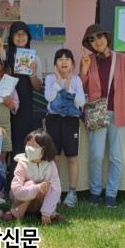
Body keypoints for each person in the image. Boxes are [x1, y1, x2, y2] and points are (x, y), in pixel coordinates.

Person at [80, 24, 125, 208]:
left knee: (115, 156)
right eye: (92, 39)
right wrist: (84, 70)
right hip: (96, 112)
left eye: (99, 37)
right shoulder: (88, 60)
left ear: (107, 38)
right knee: (96, 155)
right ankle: (95, 192)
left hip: (119, 112)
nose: (97, 42)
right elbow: (82, 86)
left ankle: (111, 194)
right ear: (89, 44)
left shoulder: (122, 58)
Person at [44, 48, 86, 208]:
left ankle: (72, 193)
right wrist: (57, 82)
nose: (64, 61)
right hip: (53, 120)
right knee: (54, 157)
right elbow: (48, 97)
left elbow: (81, 102)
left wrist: (68, 87)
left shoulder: (76, 80)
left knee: (72, 157)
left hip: (71, 121)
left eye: (67, 59)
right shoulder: (50, 78)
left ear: (72, 64)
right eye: (60, 59)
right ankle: (54, 192)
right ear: (55, 63)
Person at [1, 129, 64, 224]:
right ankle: (15, 213)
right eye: (28, 144)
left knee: (50, 186)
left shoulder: (50, 164)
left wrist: (47, 212)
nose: (29, 148)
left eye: (33, 145)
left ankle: (48, 213)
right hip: (22, 199)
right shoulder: (22, 163)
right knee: (30, 183)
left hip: (41, 200)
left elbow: (56, 189)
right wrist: (37, 188)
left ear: (43, 149)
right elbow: (16, 189)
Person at [6, 21, 43, 155]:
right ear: (11, 37)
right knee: (7, 141)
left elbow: (37, 86)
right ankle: (10, 168)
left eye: (24, 34)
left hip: (26, 105)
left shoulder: (35, 59)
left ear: (28, 37)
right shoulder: (5, 57)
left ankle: (24, 167)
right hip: (7, 104)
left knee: (24, 140)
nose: (20, 37)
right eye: (17, 34)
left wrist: (32, 74)